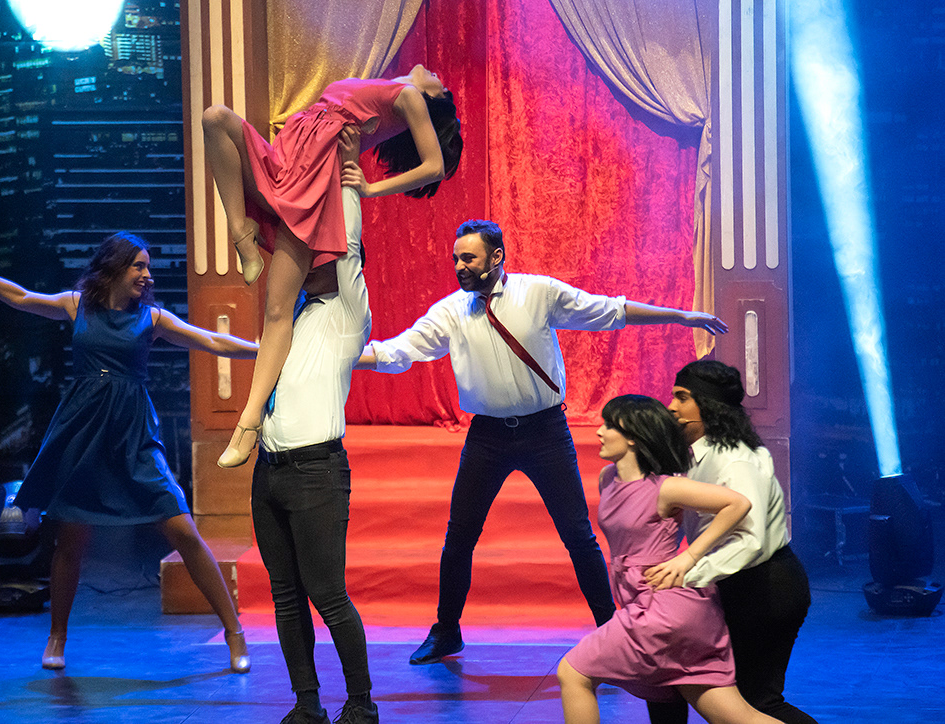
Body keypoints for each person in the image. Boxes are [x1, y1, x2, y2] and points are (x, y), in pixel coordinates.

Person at [356, 219, 729, 664]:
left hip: (545, 432)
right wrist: (344, 359)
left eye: (469, 258)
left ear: (497, 257)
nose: (459, 266)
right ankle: (447, 630)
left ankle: (612, 628)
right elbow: (400, 350)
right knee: (459, 537)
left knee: (578, 535)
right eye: (456, 258)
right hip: (488, 435)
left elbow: (609, 310)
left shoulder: (538, 293)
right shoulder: (451, 311)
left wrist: (681, 316)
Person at [0, 234, 258, 674]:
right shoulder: (76, 304)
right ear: (115, 268)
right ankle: (57, 637)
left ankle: (234, 633)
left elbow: (212, 342)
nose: (148, 275)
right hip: (82, 431)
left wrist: (265, 353)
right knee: (71, 540)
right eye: (139, 266)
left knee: (183, 530)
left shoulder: (152, 318)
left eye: (148, 267)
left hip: (133, 434)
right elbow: (21, 298)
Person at [201, 64, 463, 470]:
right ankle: (242, 236)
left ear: (436, 97)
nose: (433, 71)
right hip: (290, 157)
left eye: (441, 83)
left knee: (277, 311)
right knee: (215, 118)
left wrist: (369, 188)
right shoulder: (386, 87)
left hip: (315, 180)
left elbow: (435, 167)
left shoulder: (410, 96)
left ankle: (248, 423)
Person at [252, 130, 377, 724]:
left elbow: (346, 244)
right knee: (285, 595)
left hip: (316, 471)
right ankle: (307, 704)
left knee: (327, 593)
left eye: (316, 255)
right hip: (269, 469)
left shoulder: (350, 313)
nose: (310, 261)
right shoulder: (293, 314)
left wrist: (348, 173)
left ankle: (361, 704)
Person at [557, 394, 782, 724]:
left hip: (663, 607)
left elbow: (737, 504)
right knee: (735, 716)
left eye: (609, 425)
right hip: (650, 603)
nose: (599, 432)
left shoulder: (665, 488)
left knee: (572, 672)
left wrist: (689, 556)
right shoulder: (608, 478)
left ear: (633, 436)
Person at [644, 360, 817, 724]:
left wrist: (688, 573)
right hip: (737, 585)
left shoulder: (735, 460)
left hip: (766, 586)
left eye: (682, 398)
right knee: (678, 683)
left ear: (708, 405)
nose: (671, 407)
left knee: (757, 703)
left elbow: (750, 541)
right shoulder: (698, 455)